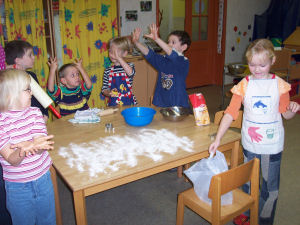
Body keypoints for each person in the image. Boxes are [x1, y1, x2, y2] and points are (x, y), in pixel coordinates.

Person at [208, 39, 300, 225]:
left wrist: (293, 108)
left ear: (272, 61)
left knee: (269, 187)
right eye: (252, 65)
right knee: (247, 181)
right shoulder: (244, 84)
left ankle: (265, 220)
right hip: (250, 144)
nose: (256, 69)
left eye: (262, 65)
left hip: (271, 146)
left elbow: (286, 115)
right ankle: (245, 213)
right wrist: (218, 138)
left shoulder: (280, 85)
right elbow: (230, 113)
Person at [0, 69, 56, 225]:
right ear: (10, 96)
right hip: (18, 187)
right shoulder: (1, 123)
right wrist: (23, 150)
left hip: (43, 178)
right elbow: (12, 159)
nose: (32, 93)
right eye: (27, 89)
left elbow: (41, 146)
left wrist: (36, 146)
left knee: (48, 220)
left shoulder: (35, 113)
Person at [132, 23, 191, 107]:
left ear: (183, 47)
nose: (169, 44)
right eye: (168, 42)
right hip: (162, 101)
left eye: (173, 42)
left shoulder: (183, 62)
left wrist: (156, 39)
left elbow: (173, 55)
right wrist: (136, 43)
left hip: (177, 102)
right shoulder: (164, 59)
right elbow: (149, 54)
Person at [4, 40, 49, 122]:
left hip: (38, 120)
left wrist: (45, 114)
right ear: (17, 60)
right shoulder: (8, 80)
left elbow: (40, 98)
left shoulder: (32, 76)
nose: (34, 57)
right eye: (30, 55)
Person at [101, 36, 137, 106]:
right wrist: (109, 93)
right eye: (111, 51)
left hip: (128, 102)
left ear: (124, 53)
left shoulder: (129, 66)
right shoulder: (107, 71)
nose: (112, 54)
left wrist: (119, 58)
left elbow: (131, 73)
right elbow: (104, 89)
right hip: (113, 103)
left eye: (116, 52)